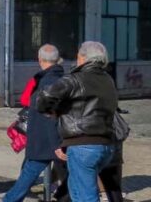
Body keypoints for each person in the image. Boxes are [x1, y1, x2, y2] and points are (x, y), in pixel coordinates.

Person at [36, 41, 118, 202]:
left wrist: (51, 111)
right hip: (106, 145)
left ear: (82, 58)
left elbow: (45, 96)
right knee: (76, 191)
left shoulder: (74, 79)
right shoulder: (108, 79)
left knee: (84, 196)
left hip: (83, 145)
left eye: (79, 55)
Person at [0, 45, 65, 202]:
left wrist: (56, 143)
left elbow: (50, 116)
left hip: (47, 139)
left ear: (39, 59)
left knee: (28, 175)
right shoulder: (59, 79)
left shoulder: (46, 82)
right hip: (53, 139)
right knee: (67, 177)